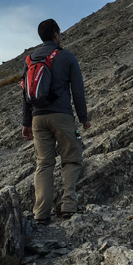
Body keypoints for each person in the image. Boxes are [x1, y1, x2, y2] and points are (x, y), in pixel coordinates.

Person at [21, 19, 90, 225]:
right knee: (71, 157)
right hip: (62, 116)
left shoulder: (29, 60)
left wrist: (26, 122)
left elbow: (25, 93)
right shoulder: (66, 57)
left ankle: (41, 213)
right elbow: (77, 91)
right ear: (56, 34)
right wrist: (84, 118)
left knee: (44, 163)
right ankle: (68, 204)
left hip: (38, 118)